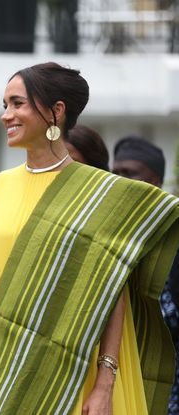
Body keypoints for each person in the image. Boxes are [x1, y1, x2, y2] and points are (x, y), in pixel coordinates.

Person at [0, 62, 179, 414]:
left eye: (17, 104)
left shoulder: (98, 195)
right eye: (4, 105)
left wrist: (105, 385)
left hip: (74, 371)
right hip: (0, 372)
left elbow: (112, 296)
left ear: (56, 111)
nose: (5, 116)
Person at [113, 135, 179, 415]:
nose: (120, 181)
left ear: (155, 183)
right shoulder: (111, 234)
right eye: (115, 173)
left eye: (129, 174)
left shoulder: (173, 235)